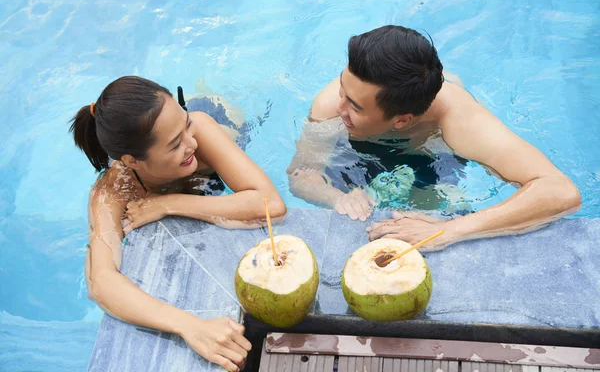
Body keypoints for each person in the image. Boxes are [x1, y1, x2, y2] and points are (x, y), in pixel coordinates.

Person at [287, 25, 580, 251]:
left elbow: (560, 191)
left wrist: (452, 229)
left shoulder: (460, 120)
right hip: (359, 146)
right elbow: (302, 176)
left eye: (355, 106)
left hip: (431, 151)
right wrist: (335, 197)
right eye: (343, 87)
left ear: (402, 120)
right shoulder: (329, 106)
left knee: (440, 206)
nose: (339, 109)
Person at [71, 76, 286, 372]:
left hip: (223, 120)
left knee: (216, 113)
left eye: (185, 128)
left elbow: (271, 205)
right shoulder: (112, 191)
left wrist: (168, 204)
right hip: (165, 139)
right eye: (175, 146)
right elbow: (102, 283)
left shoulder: (200, 129)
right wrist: (188, 326)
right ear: (131, 161)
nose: (192, 143)